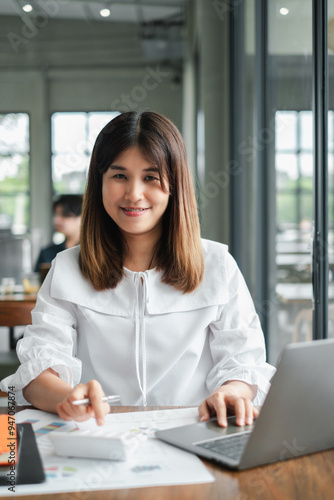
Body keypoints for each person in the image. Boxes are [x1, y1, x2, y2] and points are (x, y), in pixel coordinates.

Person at [0, 111, 275, 428]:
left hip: (194, 434)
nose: (133, 194)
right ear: (99, 182)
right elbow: (38, 369)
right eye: (119, 176)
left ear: (174, 185)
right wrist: (67, 397)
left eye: (150, 177)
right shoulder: (67, 267)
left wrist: (233, 391)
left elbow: (244, 361)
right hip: (101, 434)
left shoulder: (218, 264)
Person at [34, 194, 83, 274]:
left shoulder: (93, 253)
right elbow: (36, 283)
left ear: (82, 217)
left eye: (65, 215)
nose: (56, 220)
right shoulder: (47, 253)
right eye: (56, 214)